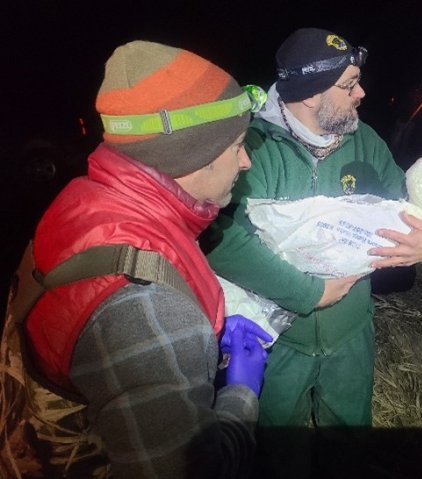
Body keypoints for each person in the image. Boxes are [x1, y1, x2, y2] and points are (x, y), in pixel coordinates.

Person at [0, 40, 273, 478]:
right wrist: (241, 393)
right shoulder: (149, 310)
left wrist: (205, 330)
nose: (245, 161)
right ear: (191, 154)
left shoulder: (87, 198)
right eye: (238, 144)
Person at [204, 27, 422, 478]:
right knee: (278, 452)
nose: (362, 93)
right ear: (311, 95)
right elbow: (219, 236)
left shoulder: (366, 141)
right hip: (275, 339)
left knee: (350, 445)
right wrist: (307, 292)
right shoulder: (250, 148)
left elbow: (405, 209)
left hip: (351, 331)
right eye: (349, 84)